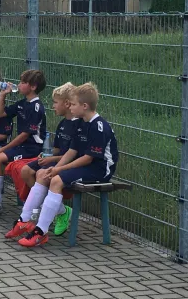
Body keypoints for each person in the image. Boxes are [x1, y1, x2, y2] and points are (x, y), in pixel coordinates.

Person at [15, 82, 119, 247]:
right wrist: (54, 168)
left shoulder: (98, 126)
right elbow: (72, 151)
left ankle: (40, 232)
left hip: (100, 170)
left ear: (84, 106)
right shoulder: (80, 123)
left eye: (74, 105)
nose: (71, 108)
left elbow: (88, 158)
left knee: (56, 180)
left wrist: (59, 170)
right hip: (87, 166)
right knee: (43, 174)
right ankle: (24, 219)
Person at [5, 82, 80, 238]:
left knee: (42, 175)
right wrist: (46, 155)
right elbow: (58, 150)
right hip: (58, 160)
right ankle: (59, 210)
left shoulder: (78, 125)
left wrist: (52, 159)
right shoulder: (62, 124)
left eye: (55, 102)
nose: (53, 106)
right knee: (26, 170)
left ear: (67, 104)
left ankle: (45, 216)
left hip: (69, 164)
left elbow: (73, 155)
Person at [0, 69, 47, 218]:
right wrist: (3, 95)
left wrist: (3, 149)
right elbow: (0, 114)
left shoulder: (36, 106)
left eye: (23, 83)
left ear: (33, 86)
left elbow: (25, 135)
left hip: (32, 147)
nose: (19, 85)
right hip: (22, 146)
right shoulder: (22, 103)